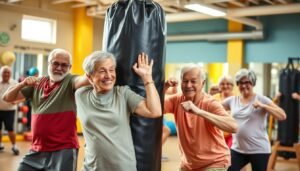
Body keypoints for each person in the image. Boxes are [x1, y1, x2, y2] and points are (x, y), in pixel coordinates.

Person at [2, 48, 89, 171]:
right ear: (49, 63)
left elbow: (84, 80)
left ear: (69, 67)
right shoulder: (37, 83)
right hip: (36, 150)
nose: (59, 68)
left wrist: (96, 68)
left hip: (63, 150)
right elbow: (7, 98)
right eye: (56, 63)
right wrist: (23, 84)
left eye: (64, 65)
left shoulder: (70, 81)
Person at [74, 51, 162, 171]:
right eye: (102, 71)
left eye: (111, 70)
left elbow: (155, 111)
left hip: (122, 167)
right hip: (91, 167)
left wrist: (147, 78)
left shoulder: (122, 94)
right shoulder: (80, 95)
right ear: (89, 77)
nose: (108, 75)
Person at [164, 64, 238, 171]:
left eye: (193, 81)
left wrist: (198, 111)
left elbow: (234, 126)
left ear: (202, 83)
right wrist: (164, 87)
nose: (188, 85)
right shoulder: (177, 100)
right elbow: (153, 107)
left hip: (214, 162)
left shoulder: (210, 103)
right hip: (189, 165)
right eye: (185, 81)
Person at [222, 68, 286, 171]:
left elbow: (282, 115)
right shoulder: (232, 101)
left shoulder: (262, 99)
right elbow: (214, 108)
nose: (244, 85)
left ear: (253, 83)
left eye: (247, 82)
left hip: (259, 149)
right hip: (237, 149)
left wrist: (263, 106)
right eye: (240, 83)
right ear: (237, 85)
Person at [0, 66, 19, 155]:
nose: (6, 74)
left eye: (8, 72)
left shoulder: (15, 83)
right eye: (4, 72)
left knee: (10, 129)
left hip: (9, 111)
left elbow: (23, 96)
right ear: (1, 73)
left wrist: (17, 101)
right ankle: (0, 144)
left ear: (10, 73)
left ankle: (14, 146)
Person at [214, 75, 235, 147]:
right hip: (217, 133)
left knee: (230, 155)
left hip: (232, 134)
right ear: (219, 86)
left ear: (232, 86)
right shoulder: (214, 98)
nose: (225, 86)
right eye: (222, 84)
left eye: (228, 84)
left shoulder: (237, 98)